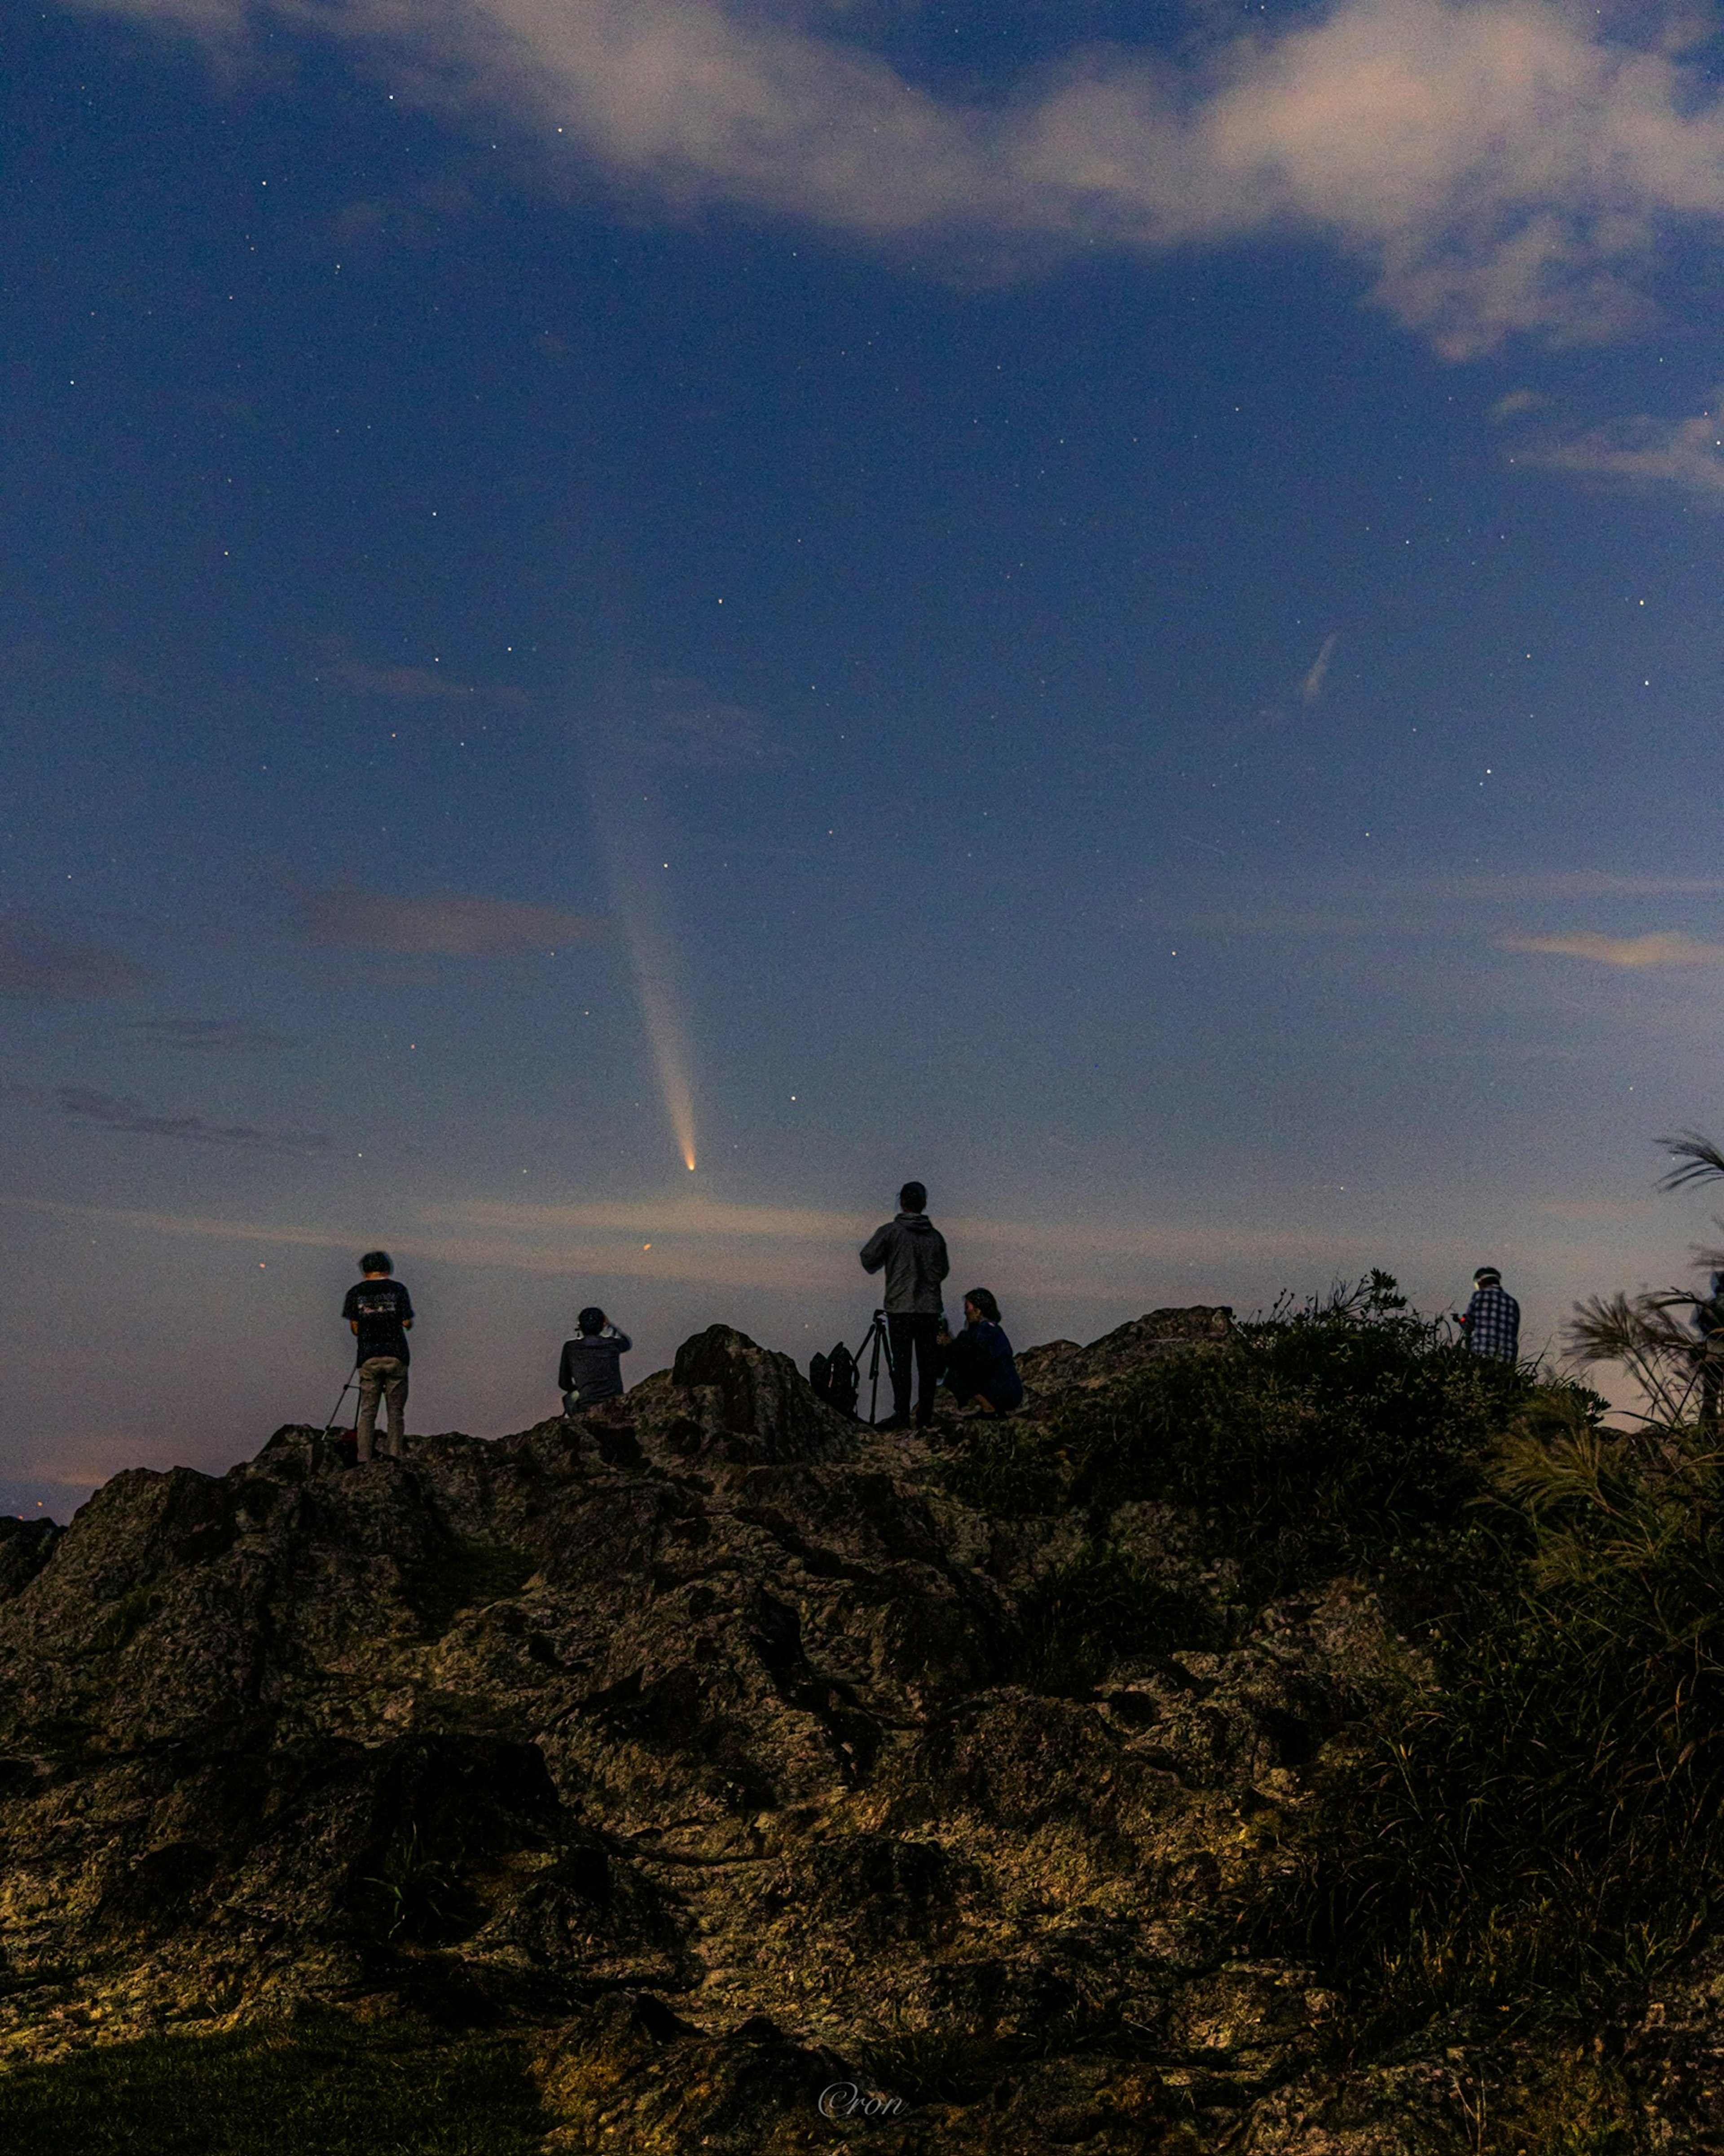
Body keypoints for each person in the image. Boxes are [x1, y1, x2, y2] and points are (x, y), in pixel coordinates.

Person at [859, 1181, 949, 1431]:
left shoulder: (890, 1232)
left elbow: (868, 1258)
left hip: (900, 1308)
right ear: (924, 1203)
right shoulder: (935, 1237)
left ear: (903, 1203)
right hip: (929, 1309)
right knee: (927, 1366)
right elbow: (943, 1270)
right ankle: (925, 1418)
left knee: (902, 1365)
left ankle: (901, 1416)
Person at [341, 1251, 414, 1462]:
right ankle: (395, 1458)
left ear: (365, 1270)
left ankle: (363, 1458)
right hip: (396, 1354)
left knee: (368, 1412)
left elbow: (355, 1328)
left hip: (369, 1355)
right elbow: (407, 1323)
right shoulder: (399, 1290)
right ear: (387, 1268)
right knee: (396, 1413)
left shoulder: (355, 1293)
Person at [940, 1288, 1024, 1419]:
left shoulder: (982, 1333)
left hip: (1001, 1390)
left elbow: (969, 1360)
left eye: (968, 1307)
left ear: (978, 1310)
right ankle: (996, 1409)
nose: (965, 1312)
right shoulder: (994, 1330)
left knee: (956, 1376)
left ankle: (988, 1407)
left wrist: (949, 1346)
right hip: (1012, 1392)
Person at [559, 1306, 633, 1414]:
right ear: (603, 1325)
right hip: (615, 1404)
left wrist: (582, 1387)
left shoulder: (570, 1348)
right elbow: (627, 1343)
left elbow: (564, 1383)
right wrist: (611, 1326)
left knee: (569, 1398)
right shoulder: (613, 1344)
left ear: (580, 1326)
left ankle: (577, 1422)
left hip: (587, 1406)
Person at [1459, 1266, 1520, 1363]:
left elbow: (1469, 1324)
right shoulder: (1513, 1302)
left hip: (1483, 1354)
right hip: (1507, 1358)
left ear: (1481, 1282)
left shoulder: (1479, 1296)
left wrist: (1462, 1322)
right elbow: (1514, 1331)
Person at [1691, 1270, 1724, 1431]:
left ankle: (1707, 1430)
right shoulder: (1710, 1306)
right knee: (1711, 1396)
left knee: (1710, 1396)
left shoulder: (1709, 1305)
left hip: (1712, 1357)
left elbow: (1699, 1324)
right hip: (1715, 1357)